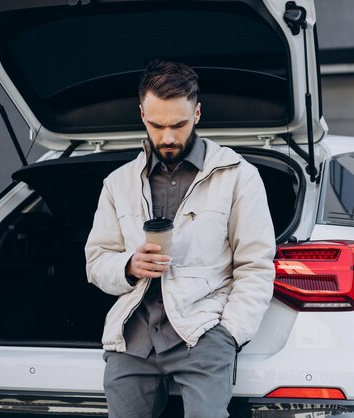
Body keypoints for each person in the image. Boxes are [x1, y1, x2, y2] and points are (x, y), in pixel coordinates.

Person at [85, 60, 276, 418]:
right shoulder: (117, 183)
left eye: (179, 124)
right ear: (141, 114)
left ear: (198, 113)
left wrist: (229, 334)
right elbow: (96, 261)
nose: (168, 137)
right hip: (132, 340)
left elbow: (256, 265)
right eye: (157, 125)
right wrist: (128, 265)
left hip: (202, 334)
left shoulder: (238, 176)